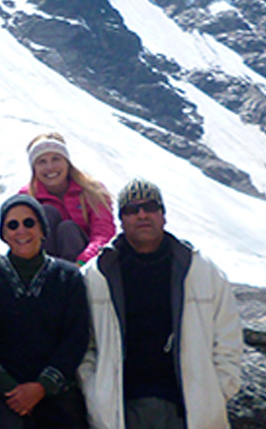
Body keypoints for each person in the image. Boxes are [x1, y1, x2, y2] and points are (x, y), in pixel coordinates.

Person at [78, 179, 243, 429]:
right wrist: (95, 392)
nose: (142, 215)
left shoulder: (201, 270)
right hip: (121, 408)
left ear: (163, 215)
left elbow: (228, 335)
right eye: (132, 210)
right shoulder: (97, 274)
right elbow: (84, 343)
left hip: (189, 410)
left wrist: (217, 391)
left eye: (150, 207)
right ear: (121, 220)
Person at [0, 195, 90, 429]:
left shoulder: (67, 277)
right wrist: (4, 385)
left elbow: (76, 336)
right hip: (3, 394)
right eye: (12, 225)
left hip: (57, 392)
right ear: (4, 234)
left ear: (42, 230)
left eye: (29, 223)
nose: (21, 231)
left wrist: (43, 386)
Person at [19, 132, 116, 264]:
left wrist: (83, 261)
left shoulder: (92, 191)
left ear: (67, 162)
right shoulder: (27, 197)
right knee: (46, 212)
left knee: (68, 229)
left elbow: (103, 233)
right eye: (42, 162)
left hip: (85, 264)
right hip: (43, 262)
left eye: (56, 159)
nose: (50, 167)